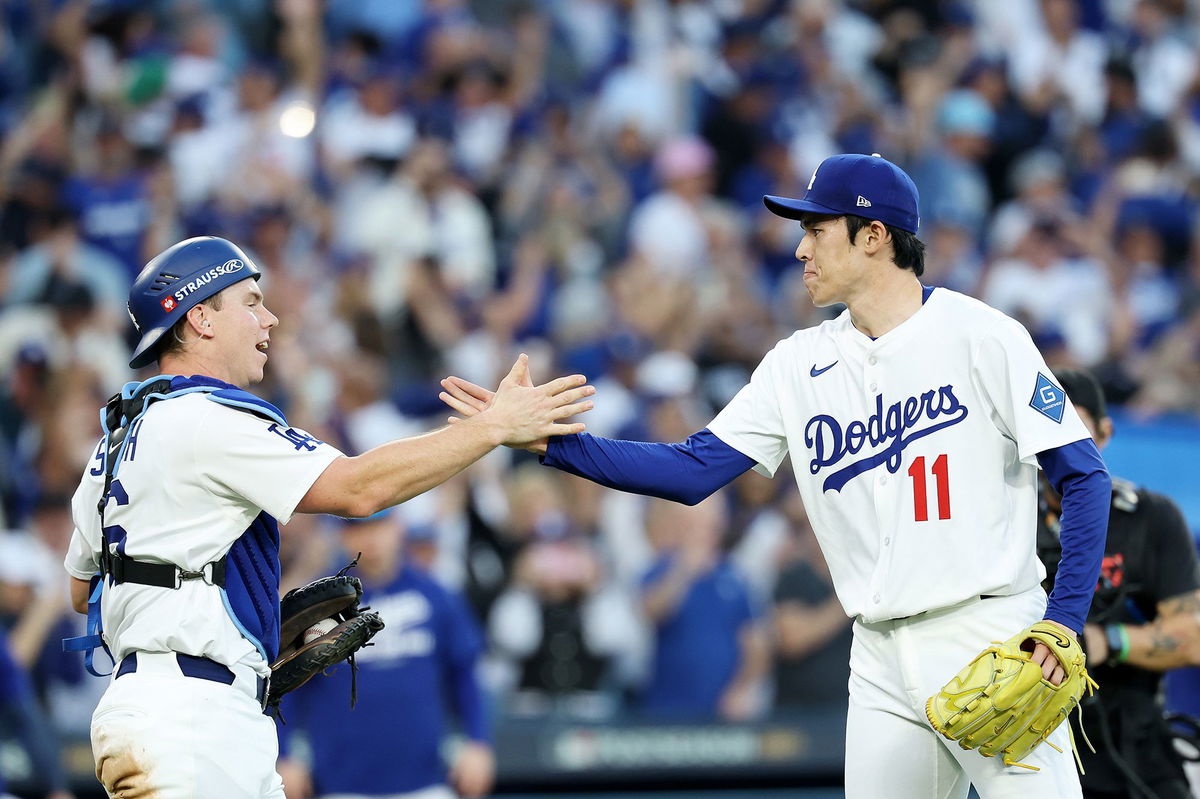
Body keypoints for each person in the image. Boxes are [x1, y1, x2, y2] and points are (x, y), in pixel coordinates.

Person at [439, 153, 1112, 798]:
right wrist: (553, 444)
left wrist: (1062, 622)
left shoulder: (982, 334)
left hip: (990, 628)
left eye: (817, 230)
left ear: (874, 236)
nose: (801, 249)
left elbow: (1084, 476)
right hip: (876, 652)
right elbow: (693, 469)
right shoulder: (800, 362)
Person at [61, 236, 593, 798]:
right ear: (200, 318)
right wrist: (492, 428)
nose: (269, 317)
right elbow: (361, 489)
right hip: (193, 718)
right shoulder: (207, 418)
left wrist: (219, 615)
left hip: (159, 705)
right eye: (250, 301)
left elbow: (82, 590)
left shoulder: (118, 439)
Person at [1038, 367, 1200, 799]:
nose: (1057, 446)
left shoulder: (1151, 517)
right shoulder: (1002, 523)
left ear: (1106, 432)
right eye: (1042, 430)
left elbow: (1191, 637)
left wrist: (1105, 641)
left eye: (1072, 428)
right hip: (1035, 747)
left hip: (1137, 743)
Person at [276, 509, 494, 799]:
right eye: (356, 529)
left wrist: (477, 741)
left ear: (398, 525)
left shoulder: (435, 595)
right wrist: (284, 755)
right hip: (340, 784)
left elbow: (465, 674)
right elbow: (288, 686)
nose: (370, 538)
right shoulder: (319, 605)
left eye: (379, 525)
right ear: (340, 535)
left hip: (427, 781)